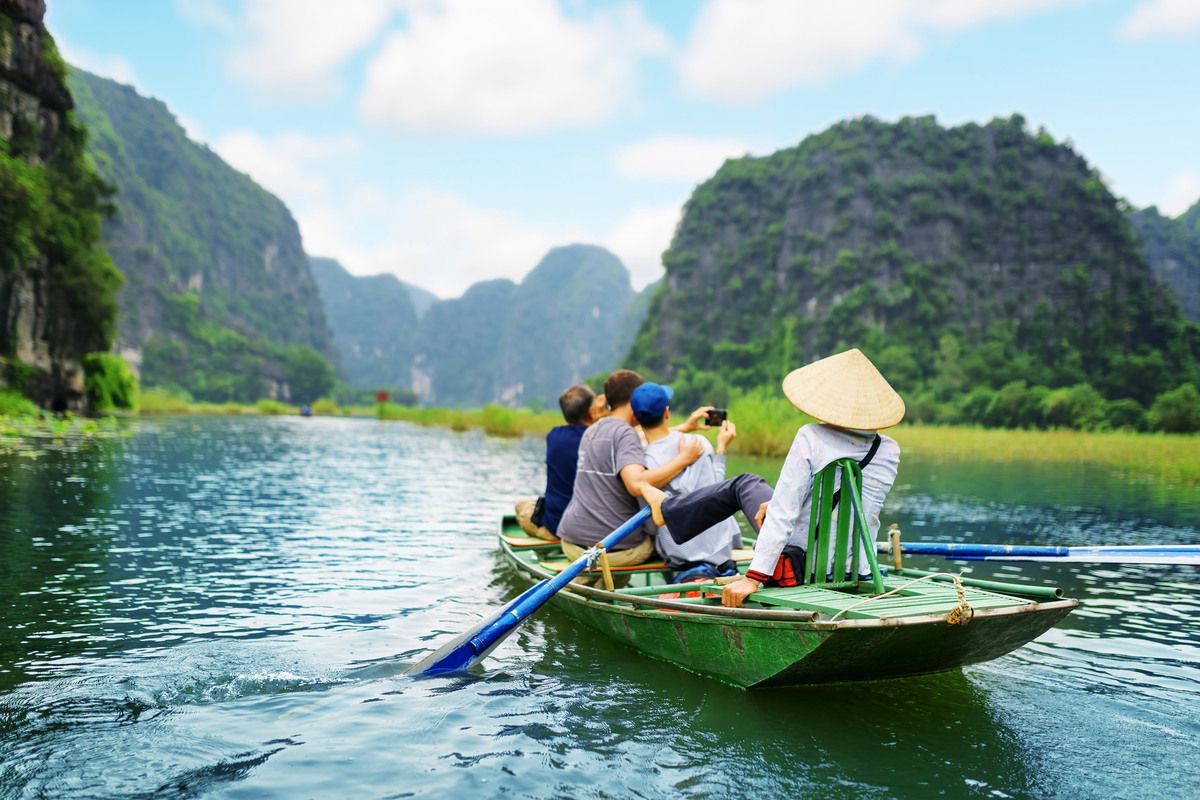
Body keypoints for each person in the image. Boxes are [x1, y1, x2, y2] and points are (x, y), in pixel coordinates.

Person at [640, 349, 903, 608]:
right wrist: (778, 503)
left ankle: (666, 510)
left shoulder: (811, 437)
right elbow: (852, 506)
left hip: (801, 565)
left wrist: (754, 577)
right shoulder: (889, 450)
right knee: (758, 493)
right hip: (856, 568)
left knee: (744, 483)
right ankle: (668, 509)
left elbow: (783, 513)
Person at [556, 369, 708, 581]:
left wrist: (685, 427)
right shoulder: (626, 434)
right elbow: (635, 483)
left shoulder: (594, 429)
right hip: (611, 549)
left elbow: (634, 438)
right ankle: (681, 583)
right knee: (668, 540)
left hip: (571, 541)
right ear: (633, 401)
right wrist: (683, 459)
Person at [632, 382, 743, 584]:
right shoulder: (698, 443)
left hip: (679, 555)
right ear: (667, 412)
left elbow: (651, 525)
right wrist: (721, 449)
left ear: (635, 418)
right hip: (719, 551)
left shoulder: (640, 464)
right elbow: (717, 493)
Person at [515, 384, 598, 540]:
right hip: (591, 525)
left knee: (521, 505)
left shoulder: (554, 436)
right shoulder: (600, 439)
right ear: (591, 411)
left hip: (556, 525)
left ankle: (546, 534)